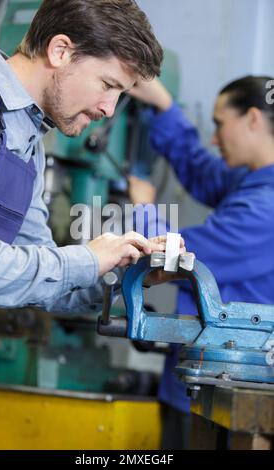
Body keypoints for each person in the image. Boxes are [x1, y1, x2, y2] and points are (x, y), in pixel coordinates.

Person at [0, 0, 176, 450]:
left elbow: (42, 276)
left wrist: (124, 276)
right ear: (61, 50)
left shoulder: (27, 141)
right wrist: (85, 257)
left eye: (122, 94)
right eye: (108, 85)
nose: (109, 109)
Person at [129, 75, 274, 449]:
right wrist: (164, 107)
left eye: (219, 124)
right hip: (210, 376)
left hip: (225, 384)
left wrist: (144, 211)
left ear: (253, 119)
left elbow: (181, 257)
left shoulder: (265, 209)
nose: (213, 138)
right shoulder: (254, 180)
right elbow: (202, 171)